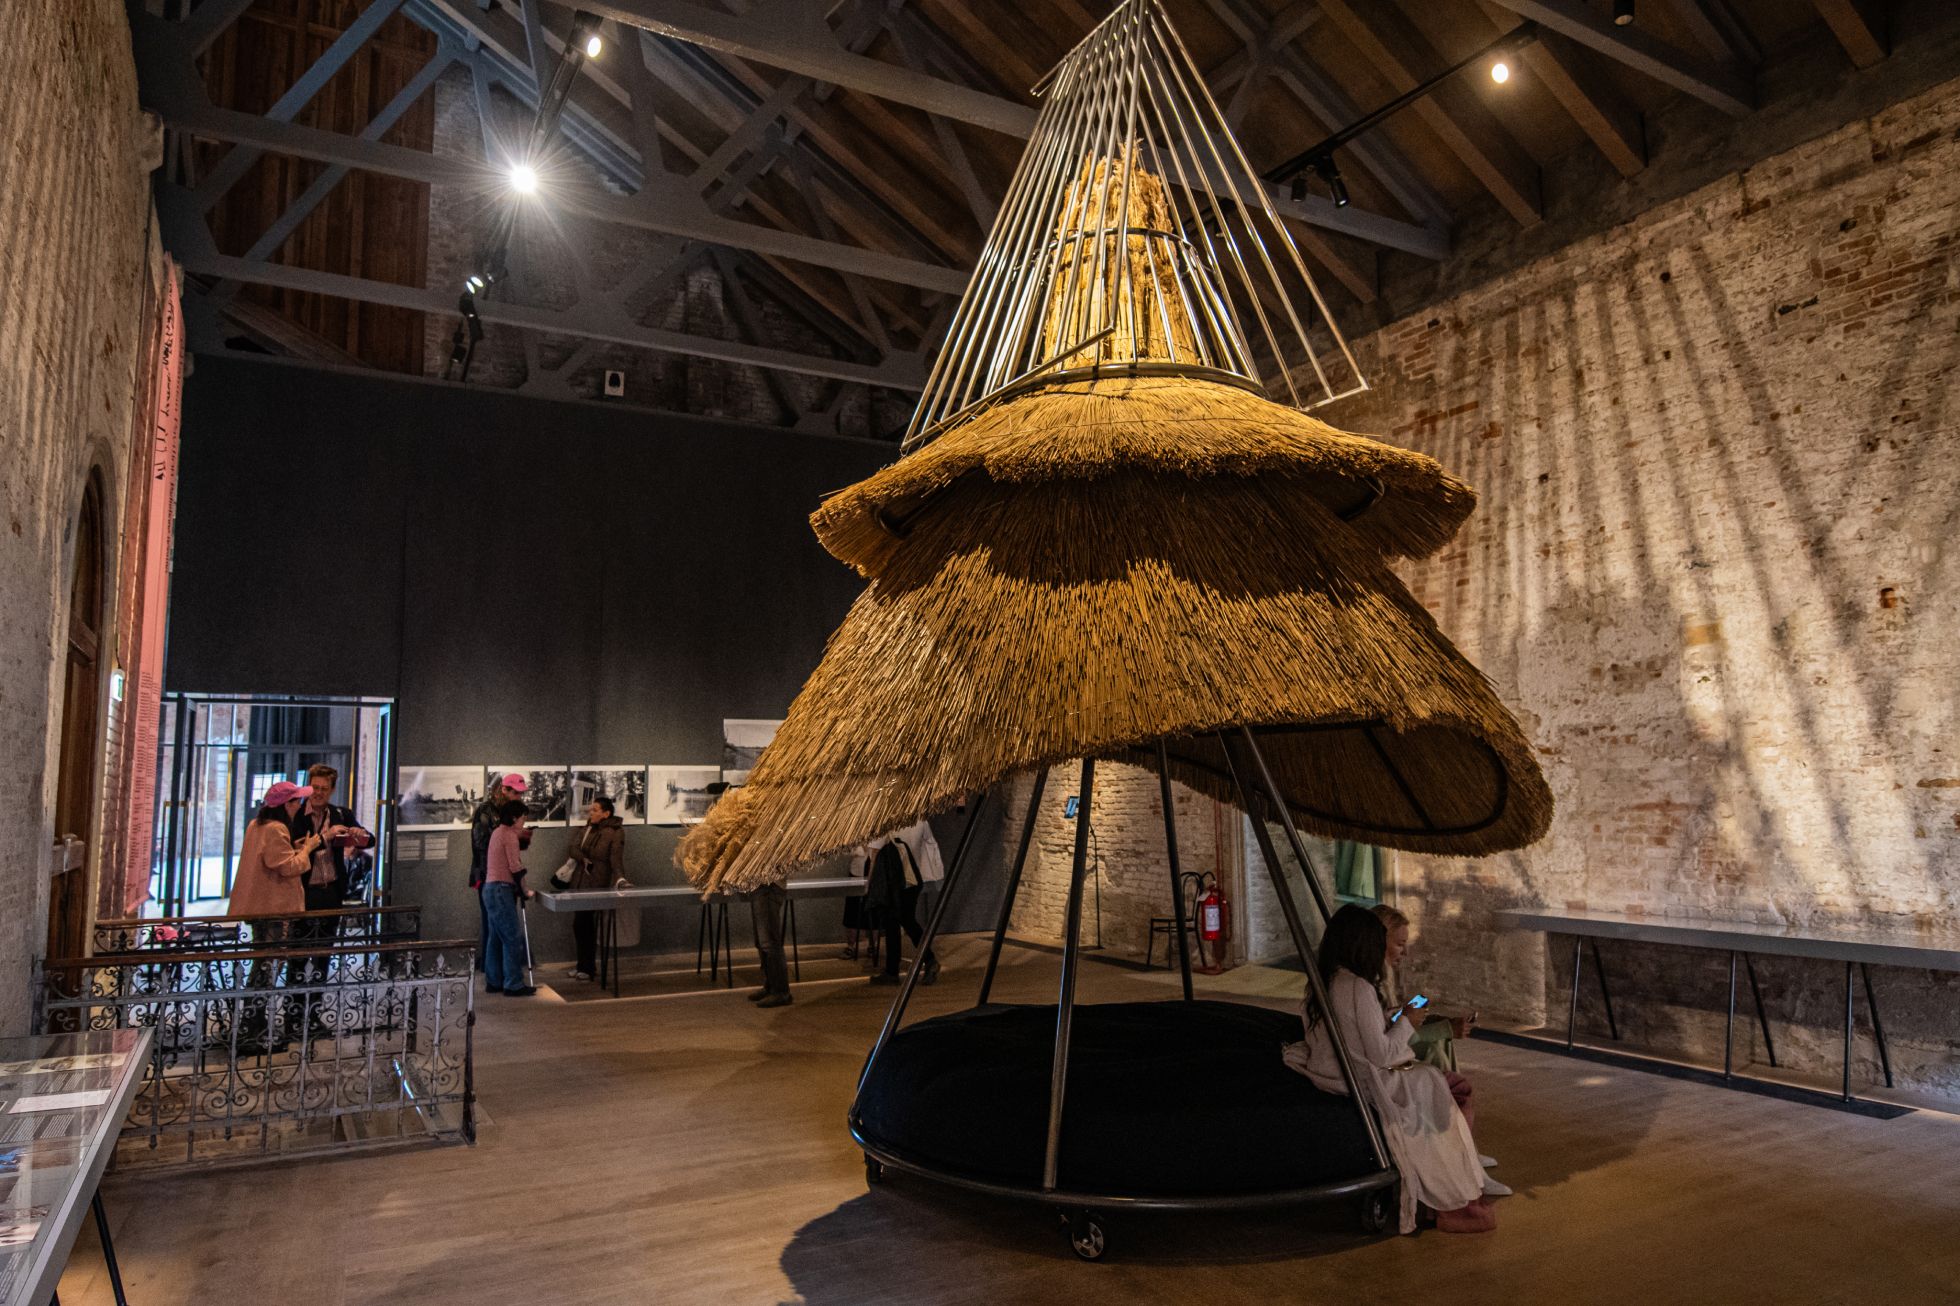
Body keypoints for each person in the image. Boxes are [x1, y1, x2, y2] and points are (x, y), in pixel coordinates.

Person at [1283, 904, 1495, 1235]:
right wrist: (1407, 1021)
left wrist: (1395, 1018)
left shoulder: (1326, 980)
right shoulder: (1358, 986)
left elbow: (1359, 1030)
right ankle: (1454, 1184)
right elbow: (1381, 1054)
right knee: (1435, 1083)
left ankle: (1464, 1165)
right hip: (1359, 1079)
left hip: (1332, 1072)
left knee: (1433, 1078)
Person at [227, 781, 320, 1051]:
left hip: (260, 907)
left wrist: (294, 847)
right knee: (267, 967)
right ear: (285, 805)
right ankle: (254, 1028)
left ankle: (253, 1024)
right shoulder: (276, 828)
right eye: (296, 802)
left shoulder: (256, 825)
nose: (299, 806)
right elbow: (288, 867)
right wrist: (307, 848)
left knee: (263, 964)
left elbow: (274, 858)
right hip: (272, 908)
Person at [1373, 904, 1474, 1073]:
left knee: (1439, 1040)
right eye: (1400, 944)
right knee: (1433, 1050)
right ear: (1379, 943)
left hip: (1391, 1046)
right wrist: (1445, 1029)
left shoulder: (1385, 975)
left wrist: (1429, 1020)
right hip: (1383, 1061)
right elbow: (1389, 1041)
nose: (1405, 952)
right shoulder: (1368, 984)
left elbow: (1391, 1022)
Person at [862, 817, 943, 988]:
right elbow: (930, 847)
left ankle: (893, 972)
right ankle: (928, 960)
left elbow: (875, 854)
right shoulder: (920, 821)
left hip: (894, 883)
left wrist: (870, 884)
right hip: (913, 879)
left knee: (892, 924)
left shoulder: (886, 822)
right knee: (908, 921)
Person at [470, 775, 528, 974]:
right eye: (516, 793)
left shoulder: (507, 813)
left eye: (520, 793)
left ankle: (498, 974)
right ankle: (496, 973)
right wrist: (507, 837)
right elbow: (480, 844)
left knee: (500, 928)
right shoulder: (486, 811)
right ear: (504, 790)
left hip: (503, 877)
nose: (519, 797)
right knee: (493, 925)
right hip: (489, 876)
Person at [566, 796, 625, 982]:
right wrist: (583, 858)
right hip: (580, 882)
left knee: (586, 925)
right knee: (580, 924)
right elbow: (573, 848)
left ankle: (588, 967)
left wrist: (620, 878)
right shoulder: (588, 828)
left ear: (606, 813)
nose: (591, 813)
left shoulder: (615, 832)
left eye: (595, 810)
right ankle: (582, 965)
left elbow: (615, 859)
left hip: (596, 883)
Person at [482, 799, 536, 996]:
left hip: (490, 888)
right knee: (512, 937)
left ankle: (494, 980)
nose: (524, 822)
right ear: (514, 818)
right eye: (523, 818)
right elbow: (515, 866)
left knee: (495, 938)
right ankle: (513, 983)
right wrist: (525, 890)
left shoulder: (498, 832)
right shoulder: (510, 836)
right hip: (501, 889)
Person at [745, 882, 792, 1009]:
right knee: (761, 942)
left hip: (769, 888)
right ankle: (770, 986)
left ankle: (781, 992)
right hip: (761, 887)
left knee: (769, 942)